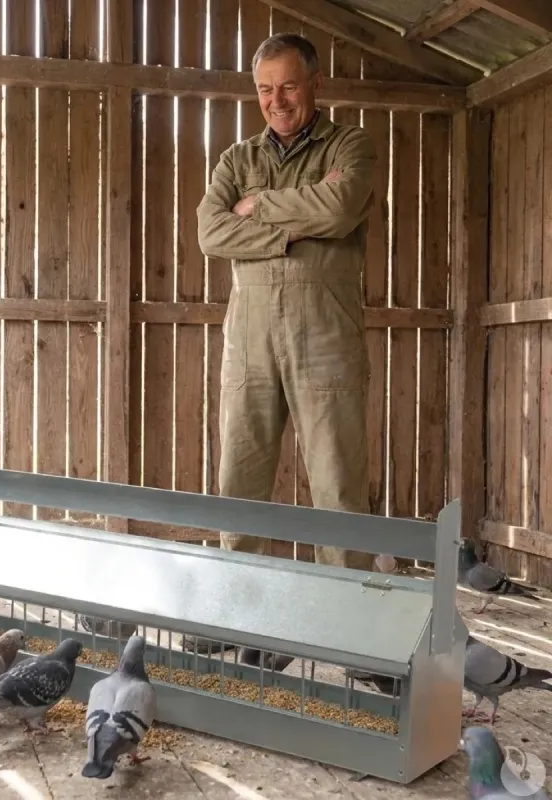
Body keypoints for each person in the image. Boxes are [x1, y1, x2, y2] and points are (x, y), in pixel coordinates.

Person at [187, 32, 384, 662]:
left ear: (315, 84)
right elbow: (211, 232)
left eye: (289, 86)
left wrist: (260, 207)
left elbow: (341, 205)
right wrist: (289, 231)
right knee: (239, 478)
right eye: (265, 89)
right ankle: (236, 612)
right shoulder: (236, 157)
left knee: (337, 483)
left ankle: (347, 630)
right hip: (248, 338)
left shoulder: (350, 145)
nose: (277, 100)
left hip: (325, 333)